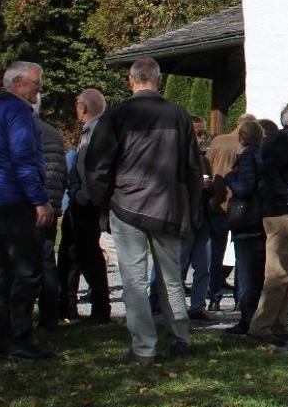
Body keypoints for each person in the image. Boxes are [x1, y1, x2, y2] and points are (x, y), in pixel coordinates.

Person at [83, 57, 201, 366]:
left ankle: (144, 347)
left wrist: (102, 200)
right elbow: (191, 167)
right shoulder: (178, 114)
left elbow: (97, 165)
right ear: (158, 80)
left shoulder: (117, 115)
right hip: (168, 205)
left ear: (131, 80)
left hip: (127, 204)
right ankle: (181, 339)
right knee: (171, 278)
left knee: (134, 280)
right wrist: (192, 208)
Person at [0, 61, 55, 361]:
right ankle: (21, 340)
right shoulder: (20, 113)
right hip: (19, 201)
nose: (39, 90)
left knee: (2, 273)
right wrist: (39, 199)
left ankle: (0, 338)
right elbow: (24, 159)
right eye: (37, 84)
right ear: (19, 83)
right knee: (26, 273)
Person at [249, 102, 288, 341]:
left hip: (284, 211)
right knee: (278, 273)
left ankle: (279, 323)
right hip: (280, 213)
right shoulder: (283, 141)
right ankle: (262, 325)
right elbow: (269, 171)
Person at [59, 89, 111, 324]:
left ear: (82, 107)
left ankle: (99, 309)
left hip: (86, 204)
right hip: (83, 201)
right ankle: (68, 306)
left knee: (88, 255)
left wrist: (82, 195)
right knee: (75, 254)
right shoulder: (90, 131)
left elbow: (97, 171)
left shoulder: (98, 132)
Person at [204, 113, 255, 311]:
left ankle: (214, 297)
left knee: (216, 252)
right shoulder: (247, 146)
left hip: (218, 201)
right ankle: (240, 298)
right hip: (239, 205)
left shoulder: (219, 141)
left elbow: (206, 165)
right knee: (241, 253)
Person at [224, 119, 266, 336]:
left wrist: (229, 177)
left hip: (247, 221)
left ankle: (246, 319)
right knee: (256, 273)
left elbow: (245, 189)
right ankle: (255, 317)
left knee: (247, 273)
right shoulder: (264, 155)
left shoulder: (249, 156)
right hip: (260, 219)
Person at [34, 102, 68, 330]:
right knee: (47, 261)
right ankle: (49, 315)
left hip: (30, 204)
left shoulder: (21, 130)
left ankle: (17, 316)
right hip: (50, 203)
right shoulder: (53, 133)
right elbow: (60, 172)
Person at [180, 115, 211, 321]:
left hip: (202, 216)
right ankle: (158, 301)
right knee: (177, 265)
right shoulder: (178, 157)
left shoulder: (203, 159)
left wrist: (210, 187)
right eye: (197, 134)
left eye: (202, 134)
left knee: (204, 264)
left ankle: (198, 306)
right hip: (184, 218)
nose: (200, 138)